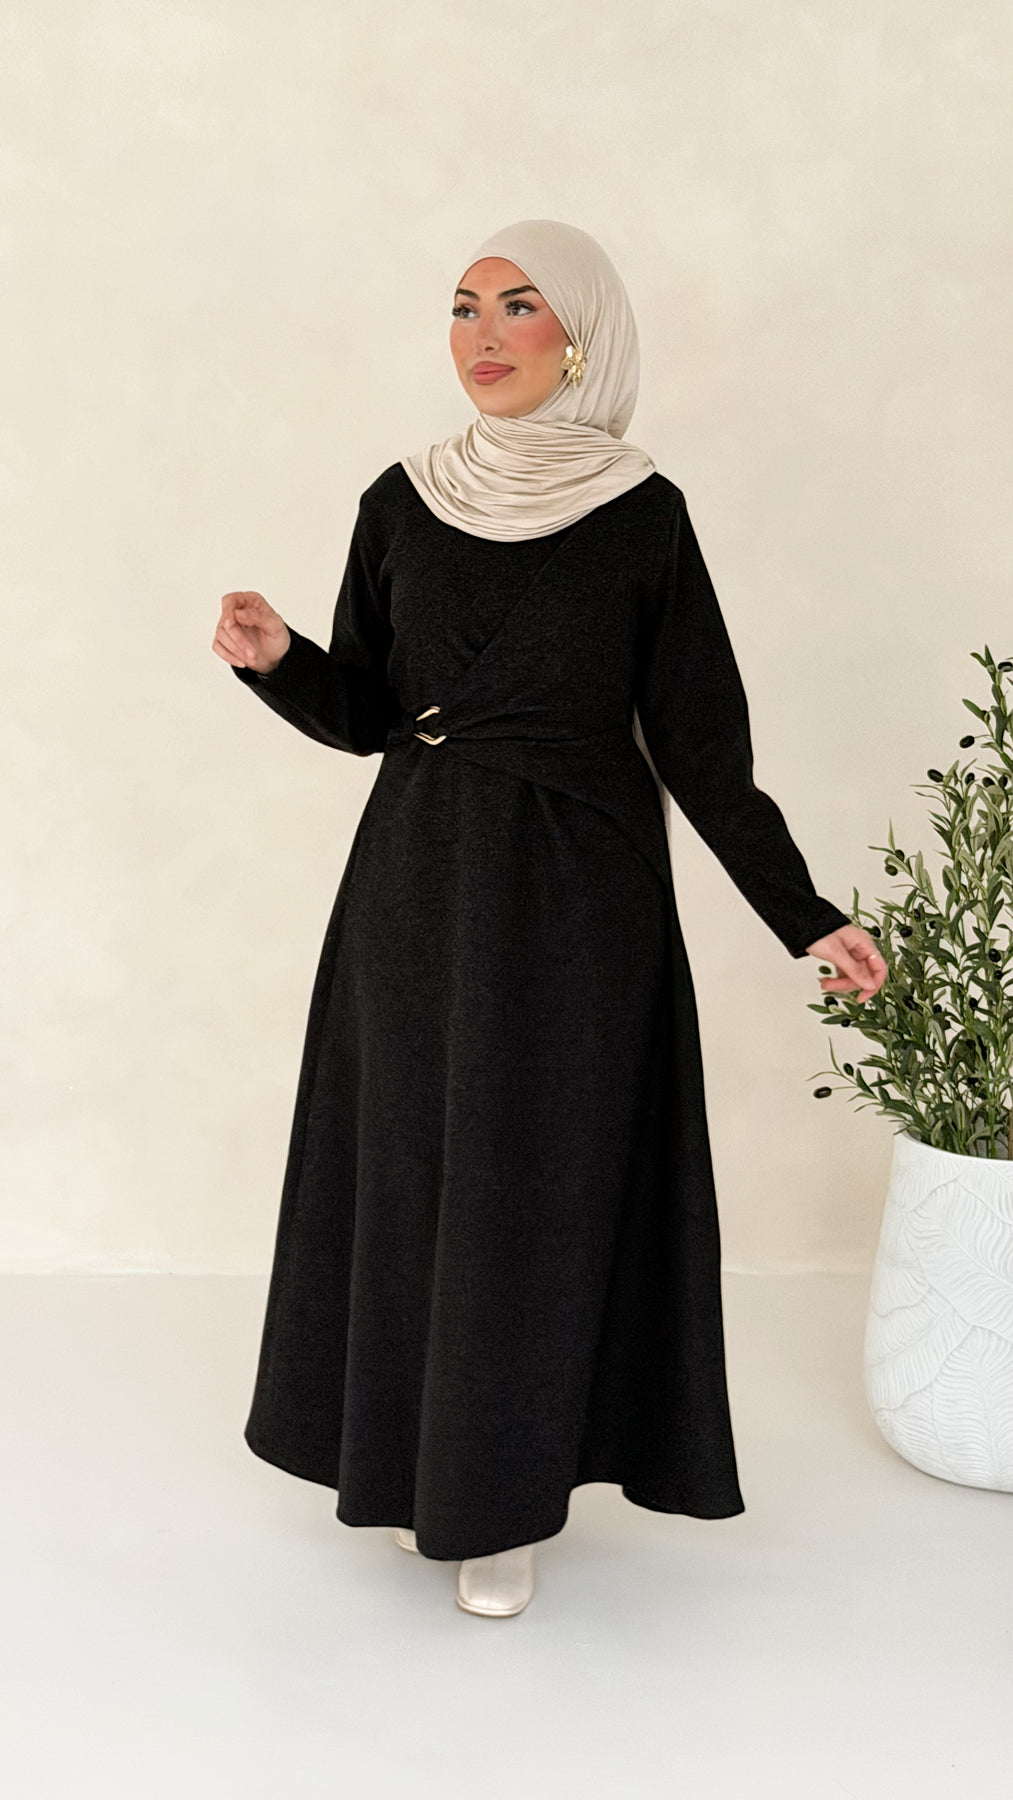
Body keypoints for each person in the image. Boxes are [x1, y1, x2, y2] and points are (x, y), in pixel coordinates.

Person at [212, 218, 886, 1621]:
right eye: (461, 309)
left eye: (517, 307)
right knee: (416, 1173)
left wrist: (801, 914)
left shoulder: (643, 514)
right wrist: (281, 663)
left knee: (532, 1188)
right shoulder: (401, 500)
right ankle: (413, 1466)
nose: (481, 336)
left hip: (580, 903)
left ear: (580, 333)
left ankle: (502, 1501)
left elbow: (700, 746)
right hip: (415, 886)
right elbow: (370, 714)